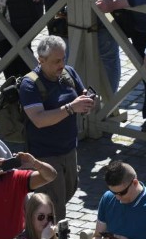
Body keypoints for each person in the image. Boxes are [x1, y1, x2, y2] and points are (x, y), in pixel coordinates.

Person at [18, 36, 93, 221]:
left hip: (69, 149)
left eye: (63, 58)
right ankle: (53, 237)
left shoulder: (68, 73)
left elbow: (81, 96)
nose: (61, 64)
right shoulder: (30, 84)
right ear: (41, 60)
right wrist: (71, 108)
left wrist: (88, 103)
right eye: (56, 61)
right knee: (55, 207)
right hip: (45, 155)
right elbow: (39, 119)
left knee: (69, 191)